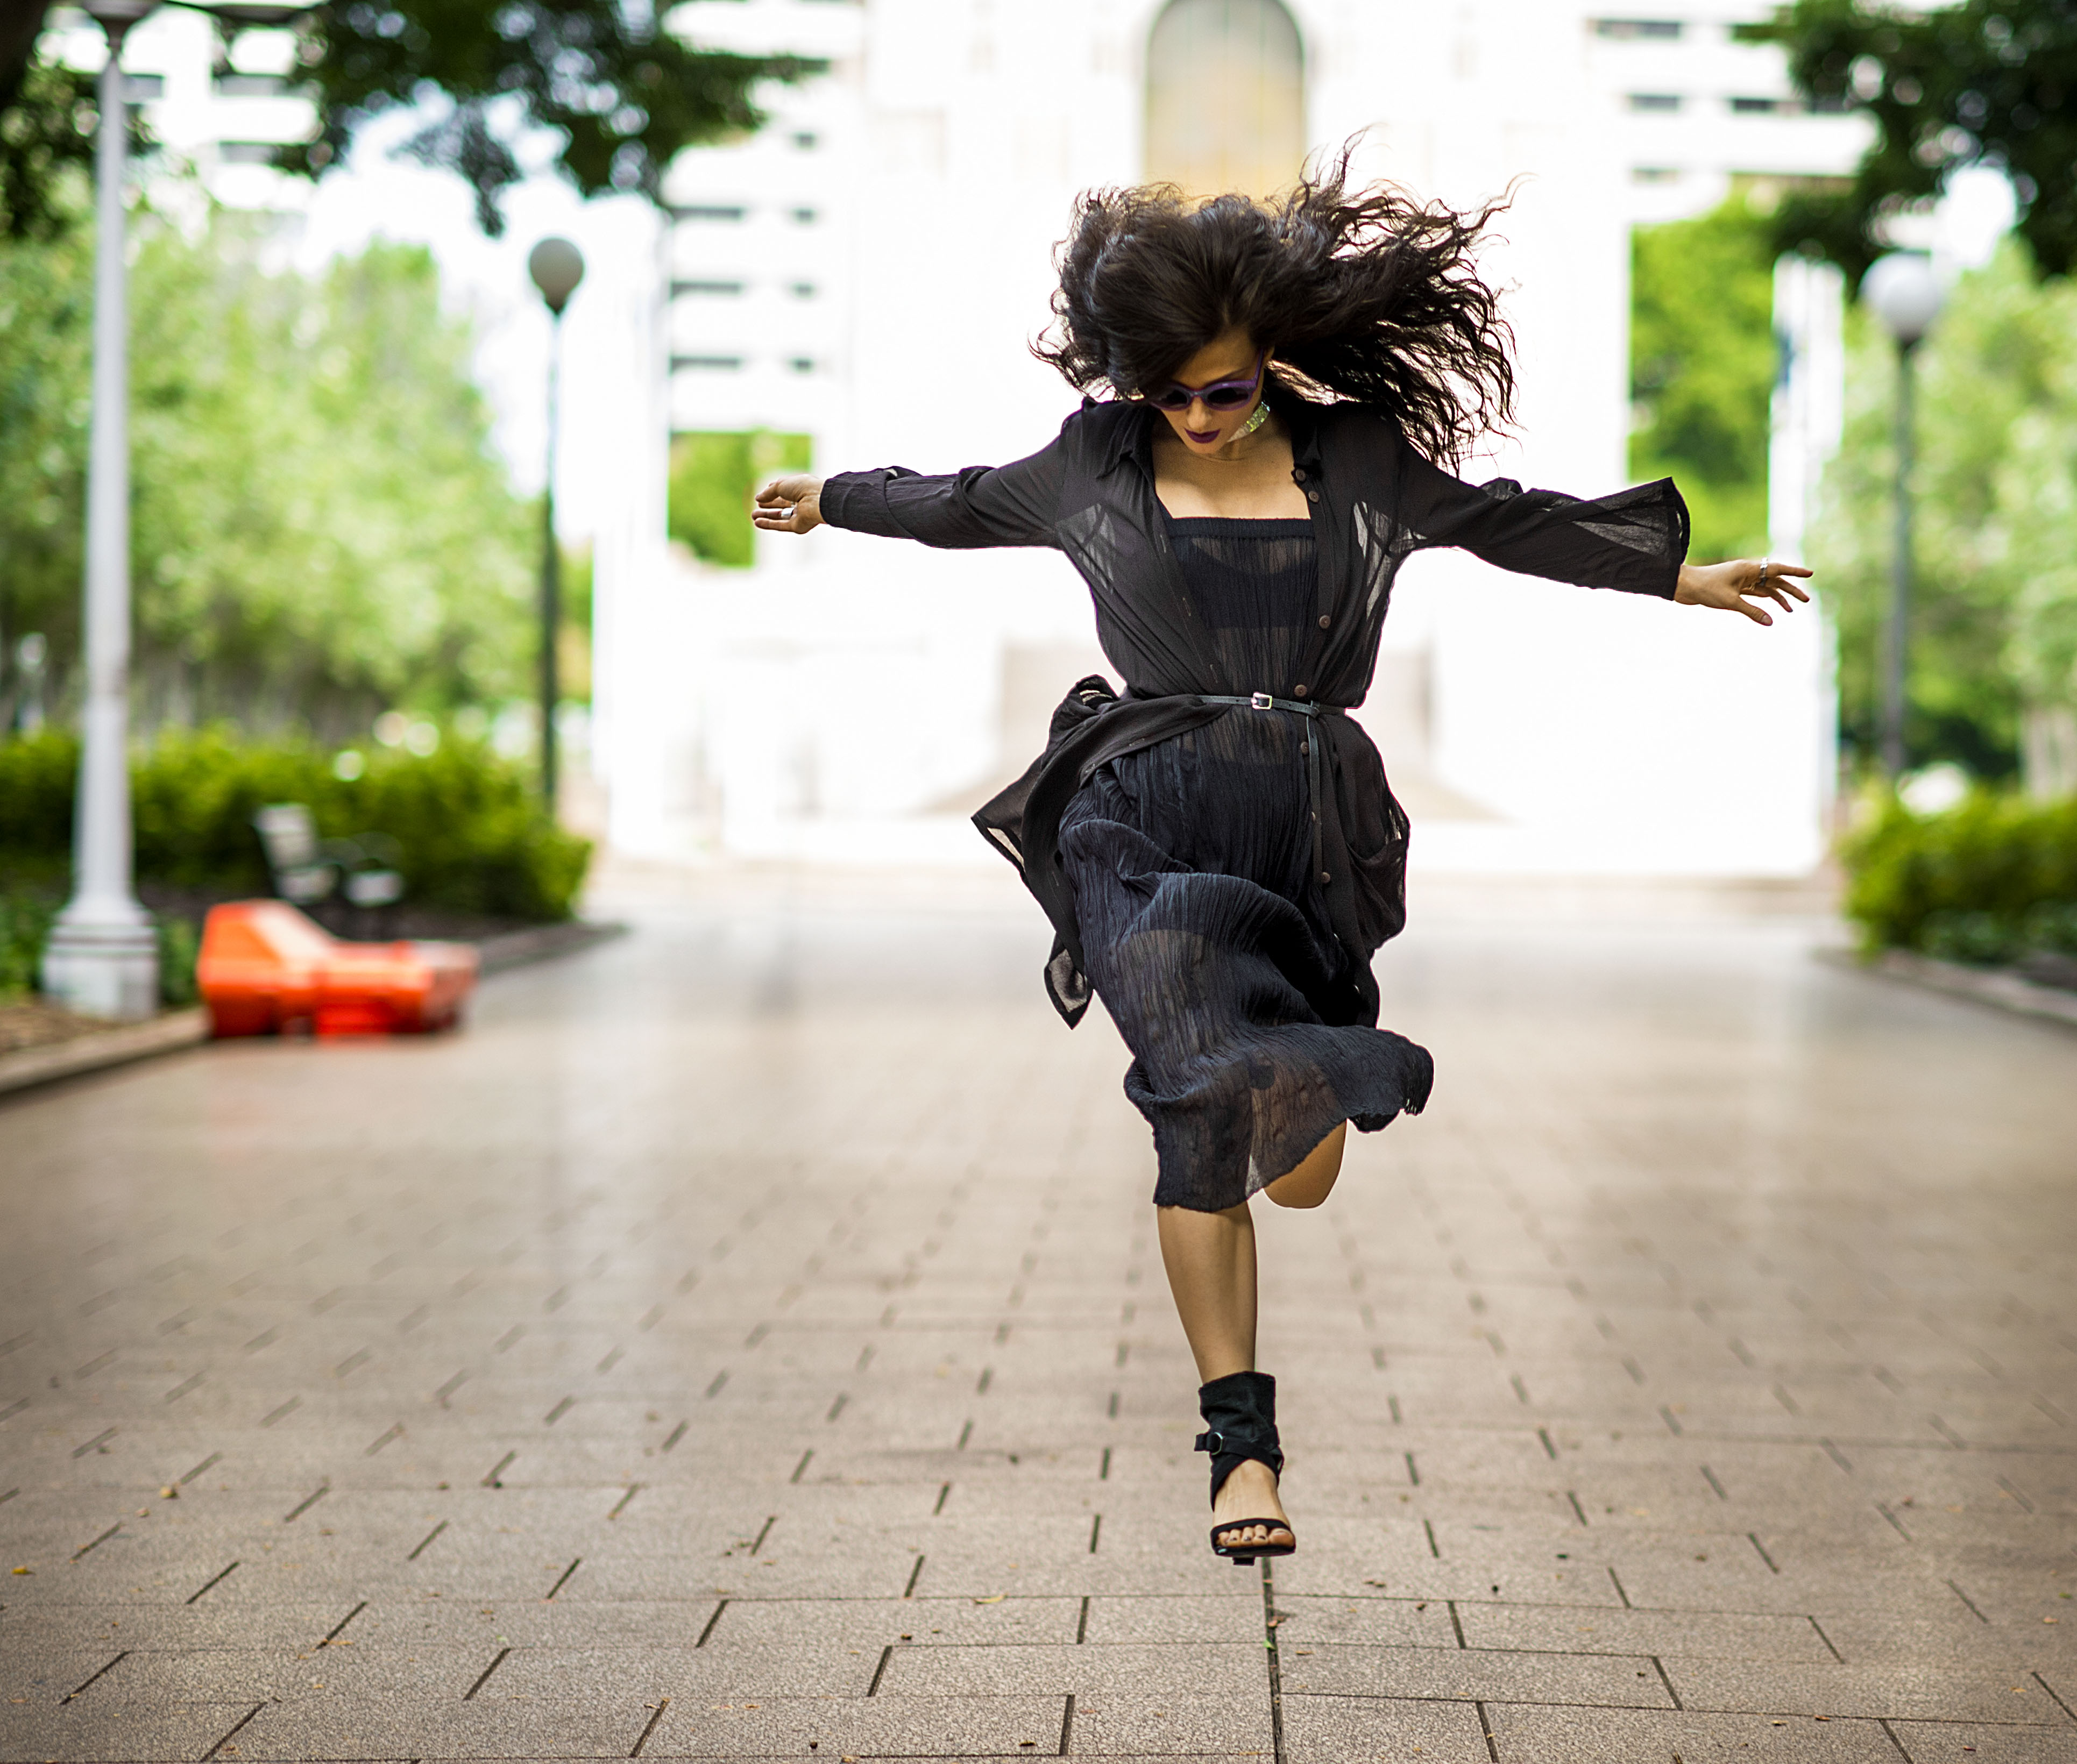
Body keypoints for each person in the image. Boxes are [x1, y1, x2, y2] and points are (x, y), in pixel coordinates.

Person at [752, 159, 1810, 1566]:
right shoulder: (1098, 463)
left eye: (1224, 391)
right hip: (1143, 820)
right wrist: (830, 496)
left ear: (1270, 365)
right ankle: (1240, 1452)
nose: (1195, 419)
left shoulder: (1359, 461)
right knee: (1196, 1101)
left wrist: (1675, 574)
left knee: (1295, 1158)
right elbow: (957, 499)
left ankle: (1288, 1104)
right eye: (1170, 394)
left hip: (1310, 832)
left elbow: (1505, 519)